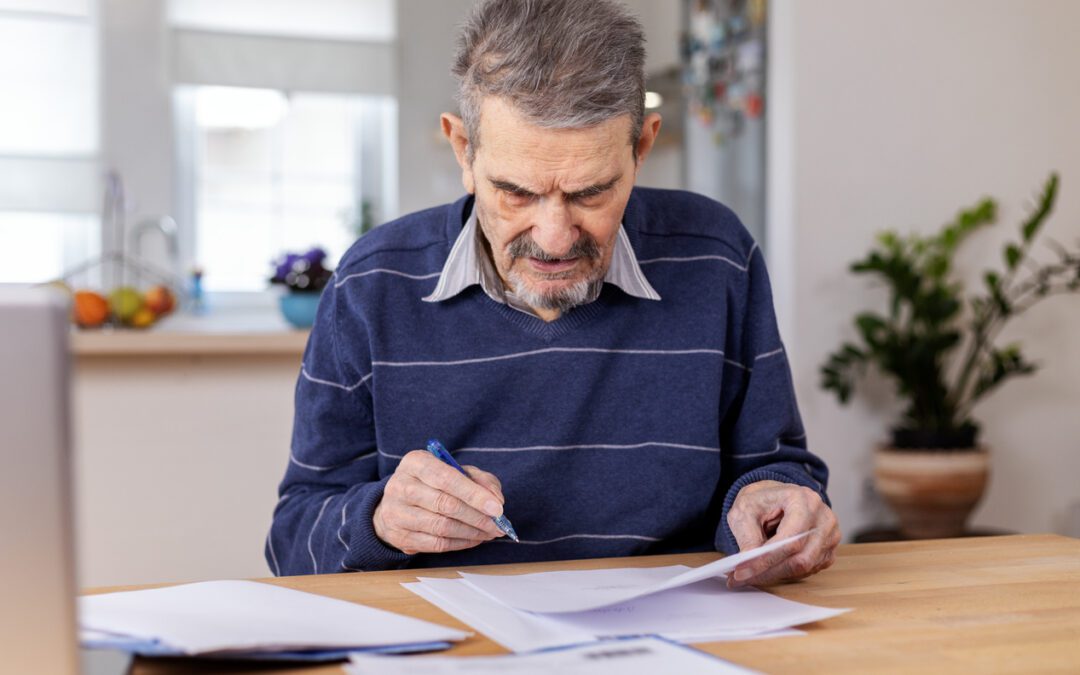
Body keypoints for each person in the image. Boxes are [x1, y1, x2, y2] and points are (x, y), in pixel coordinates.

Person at [266, 0, 839, 587]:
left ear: (642, 145)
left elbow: (776, 467)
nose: (555, 238)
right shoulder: (371, 283)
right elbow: (291, 541)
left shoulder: (716, 255)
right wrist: (379, 520)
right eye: (516, 193)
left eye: (591, 193)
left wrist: (776, 499)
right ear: (463, 150)